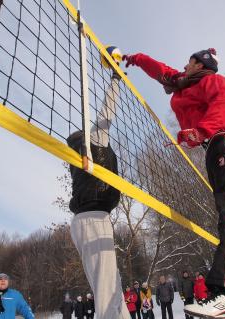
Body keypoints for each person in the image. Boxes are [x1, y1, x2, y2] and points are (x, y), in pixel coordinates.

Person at [123, 48, 225, 318]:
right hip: (211, 148)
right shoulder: (182, 82)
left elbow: (224, 103)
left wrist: (200, 130)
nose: (185, 64)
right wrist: (135, 59)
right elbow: (160, 69)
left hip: (223, 140)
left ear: (200, 65)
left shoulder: (214, 81)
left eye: (190, 61)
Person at [67, 62, 131, 319]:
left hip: (87, 220)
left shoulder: (78, 159)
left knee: (110, 286)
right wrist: (116, 79)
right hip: (93, 219)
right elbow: (107, 113)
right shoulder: (92, 145)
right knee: (106, 291)